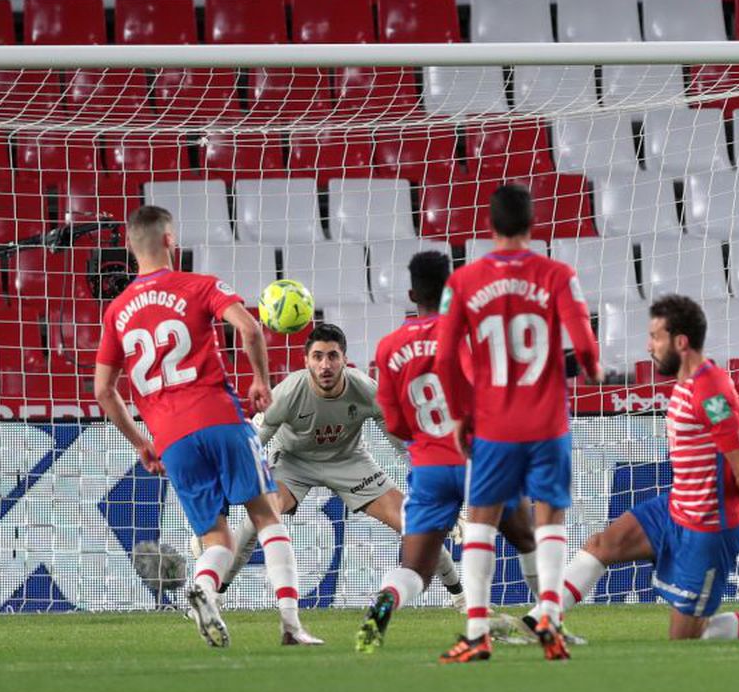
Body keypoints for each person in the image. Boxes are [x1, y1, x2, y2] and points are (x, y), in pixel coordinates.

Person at [93, 205, 319, 647]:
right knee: (267, 515)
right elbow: (249, 329)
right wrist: (260, 379)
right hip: (218, 417)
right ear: (170, 241)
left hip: (171, 438)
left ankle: (204, 588)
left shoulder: (116, 312)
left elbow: (103, 390)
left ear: (129, 247)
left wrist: (141, 441)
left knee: (215, 535)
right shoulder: (199, 285)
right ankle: (291, 625)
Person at [523, 294, 739, 641]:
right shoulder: (688, 383)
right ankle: (541, 621)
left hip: (706, 529)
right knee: (601, 544)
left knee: (686, 639)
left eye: (656, 337)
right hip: (674, 508)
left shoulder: (710, 392)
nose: (649, 346)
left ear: (680, 342)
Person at [434, 184, 602, 663]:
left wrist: (461, 414)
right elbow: (585, 345)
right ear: (532, 225)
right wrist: (590, 370)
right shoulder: (557, 274)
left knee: (482, 523)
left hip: (492, 425)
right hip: (548, 421)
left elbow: (446, 357)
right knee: (549, 517)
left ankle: (476, 631)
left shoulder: (463, 282)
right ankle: (549, 612)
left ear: (490, 226)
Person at [199, 323, 468, 610]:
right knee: (258, 518)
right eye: (317, 357)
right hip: (294, 463)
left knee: (416, 524)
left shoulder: (365, 389)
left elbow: (403, 445)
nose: (325, 365)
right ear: (306, 361)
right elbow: (249, 446)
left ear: (344, 359)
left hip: (349, 461)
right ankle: (214, 594)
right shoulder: (287, 393)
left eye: (332, 356)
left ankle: (461, 597)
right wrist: (219, 507)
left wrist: (440, 495)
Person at [357, 251, 541, 652]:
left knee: (416, 569)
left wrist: (423, 437)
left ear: (411, 293)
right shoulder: (470, 332)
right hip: (481, 460)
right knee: (526, 537)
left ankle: (385, 600)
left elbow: (394, 423)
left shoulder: (389, 347)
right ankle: (545, 623)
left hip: (429, 467)